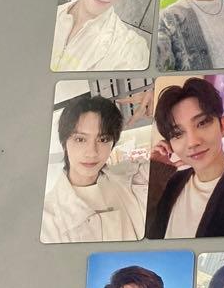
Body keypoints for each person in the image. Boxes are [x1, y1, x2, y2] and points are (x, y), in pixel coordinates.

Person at [146, 78, 224, 239]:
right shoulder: (173, 183)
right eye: (177, 133)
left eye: (202, 123)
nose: (193, 142)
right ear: (170, 144)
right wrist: (156, 170)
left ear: (223, 126)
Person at [42, 94, 147, 243]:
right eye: (80, 139)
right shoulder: (46, 220)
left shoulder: (132, 178)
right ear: (64, 143)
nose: (92, 152)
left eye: (103, 139)